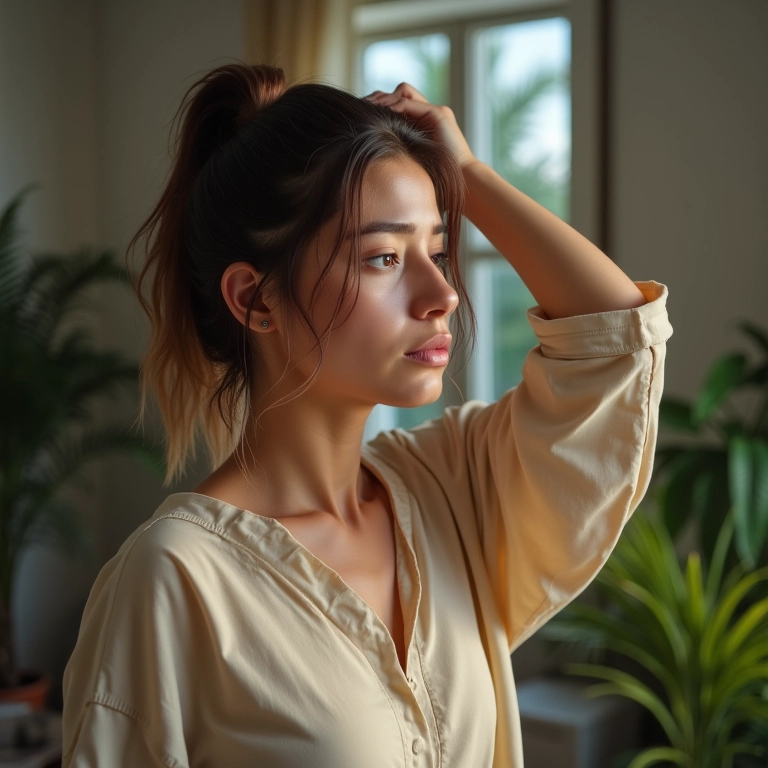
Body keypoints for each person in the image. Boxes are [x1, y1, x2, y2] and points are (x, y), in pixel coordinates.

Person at [60, 62, 673, 767]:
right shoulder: (175, 578)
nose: (441, 292)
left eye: (437, 251)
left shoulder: (450, 488)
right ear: (254, 300)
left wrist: (465, 169)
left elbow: (615, 341)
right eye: (384, 257)